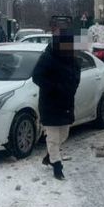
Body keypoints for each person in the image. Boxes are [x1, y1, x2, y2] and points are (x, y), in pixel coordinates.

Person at [32, 29, 81, 180]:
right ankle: (57, 166)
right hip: (50, 102)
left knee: (64, 134)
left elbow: (76, 74)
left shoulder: (72, 58)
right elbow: (36, 76)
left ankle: (50, 156)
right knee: (53, 137)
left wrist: (72, 87)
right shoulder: (48, 57)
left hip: (66, 102)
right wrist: (54, 87)